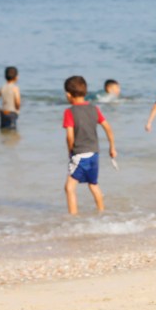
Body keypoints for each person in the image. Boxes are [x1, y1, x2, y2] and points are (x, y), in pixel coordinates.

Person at [62, 76, 117, 215]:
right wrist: (112, 147)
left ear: (68, 95)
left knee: (69, 188)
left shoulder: (69, 112)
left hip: (79, 154)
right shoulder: (94, 109)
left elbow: (69, 136)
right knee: (93, 184)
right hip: (94, 153)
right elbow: (108, 127)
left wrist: (70, 152)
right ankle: (102, 211)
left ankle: (73, 217)